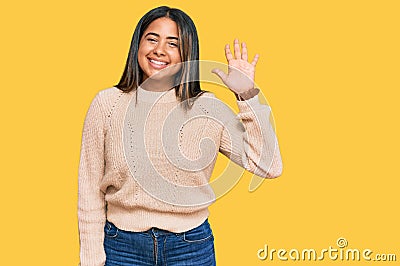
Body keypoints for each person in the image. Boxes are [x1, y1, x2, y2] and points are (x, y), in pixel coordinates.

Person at [78, 5, 282, 266]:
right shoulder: (107, 104)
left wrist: (247, 95)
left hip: (190, 248)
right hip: (122, 248)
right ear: (137, 45)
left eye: (173, 43)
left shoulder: (207, 108)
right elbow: (89, 190)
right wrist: (91, 259)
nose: (159, 50)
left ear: (187, 54)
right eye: (152, 39)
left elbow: (269, 165)